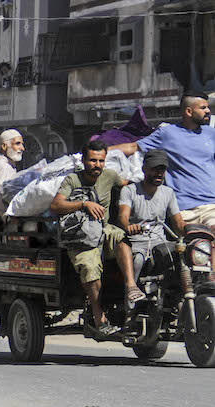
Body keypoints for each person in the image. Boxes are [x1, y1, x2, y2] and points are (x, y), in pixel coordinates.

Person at [50, 140, 138, 339]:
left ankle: (131, 286)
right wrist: (83, 204)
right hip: (81, 235)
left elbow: (128, 186)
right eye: (92, 161)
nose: (97, 165)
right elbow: (55, 206)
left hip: (104, 230)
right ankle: (99, 319)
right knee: (90, 269)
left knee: (122, 238)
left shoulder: (110, 176)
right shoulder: (72, 180)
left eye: (100, 161)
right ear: (83, 160)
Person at [112, 90, 215, 260]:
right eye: (203, 107)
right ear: (189, 111)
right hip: (183, 208)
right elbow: (133, 147)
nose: (208, 111)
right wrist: (99, 153)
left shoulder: (211, 134)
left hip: (211, 205)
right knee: (189, 252)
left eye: (207, 107)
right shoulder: (168, 134)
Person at [117, 149, 185, 280]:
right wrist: (129, 227)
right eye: (154, 169)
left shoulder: (168, 192)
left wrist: (189, 229)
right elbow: (123, 217)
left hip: (160, 242)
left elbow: (178, 222)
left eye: (162, 169)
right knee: (137, 261)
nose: (159, 173)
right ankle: (131, 295)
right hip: (137, 242)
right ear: (144, 169)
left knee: (181, 259)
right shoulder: (130, 190)